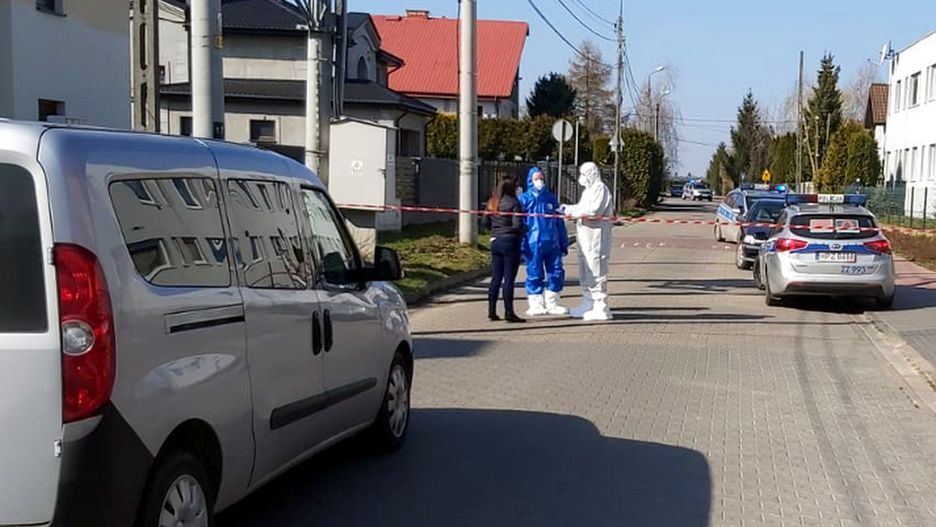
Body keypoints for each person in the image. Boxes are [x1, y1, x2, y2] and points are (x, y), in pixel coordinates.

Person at [561, 162, 614, 321]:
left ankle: (600, 306)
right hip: (584, 237)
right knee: (585, 270)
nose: (582, 178)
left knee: (596, 270)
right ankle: (587, 302)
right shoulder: (588, 191)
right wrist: (569, 209)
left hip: (596, 237)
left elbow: (593, 211)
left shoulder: (600, 189)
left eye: (585, 174)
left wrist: (574, 212)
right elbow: (582, 207)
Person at [520, 167, 569, 316]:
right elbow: (520, 222)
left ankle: (552, 302)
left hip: (552, 241)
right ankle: (535, 303)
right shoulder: (524, 199)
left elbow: (559, 222)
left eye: (541, 178)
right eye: (536, 178)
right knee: (534, 272)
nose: (539, 181)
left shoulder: (550, 198)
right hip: (533, 242)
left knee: (556, 271)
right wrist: (522, 244)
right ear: (530, 180)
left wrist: (563, 241)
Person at [483, 177, 525, 323]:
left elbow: (485, 222)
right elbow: (517, 224)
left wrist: (495, 231)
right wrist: (520, 232)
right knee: (509, 279)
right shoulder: (514, 203)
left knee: (496, 277)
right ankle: (509, 312)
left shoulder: (492, 202)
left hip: (495, 241)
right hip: (510, 242)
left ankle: (491, 311)